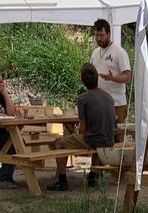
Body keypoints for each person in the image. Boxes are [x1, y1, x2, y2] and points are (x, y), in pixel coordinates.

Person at [48, 63, 115, 192]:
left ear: (81, 80)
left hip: (94, 139)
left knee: (59, 143)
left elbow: (83, 129)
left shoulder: (83, 98)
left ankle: (62, 180)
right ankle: (93, 176)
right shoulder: (109, 97)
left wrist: (74, 133)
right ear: (97, 78)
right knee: (96, 139)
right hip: (109, 140)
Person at [90, 19, 131, 124]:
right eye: (97, 35)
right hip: (99, 102)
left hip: (116, 103)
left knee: (117, 135)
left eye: (102, 35)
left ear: (109, 34)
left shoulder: (119, 52)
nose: (99, 38)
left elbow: (127, 76)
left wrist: (113, 78)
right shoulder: (95, 52)